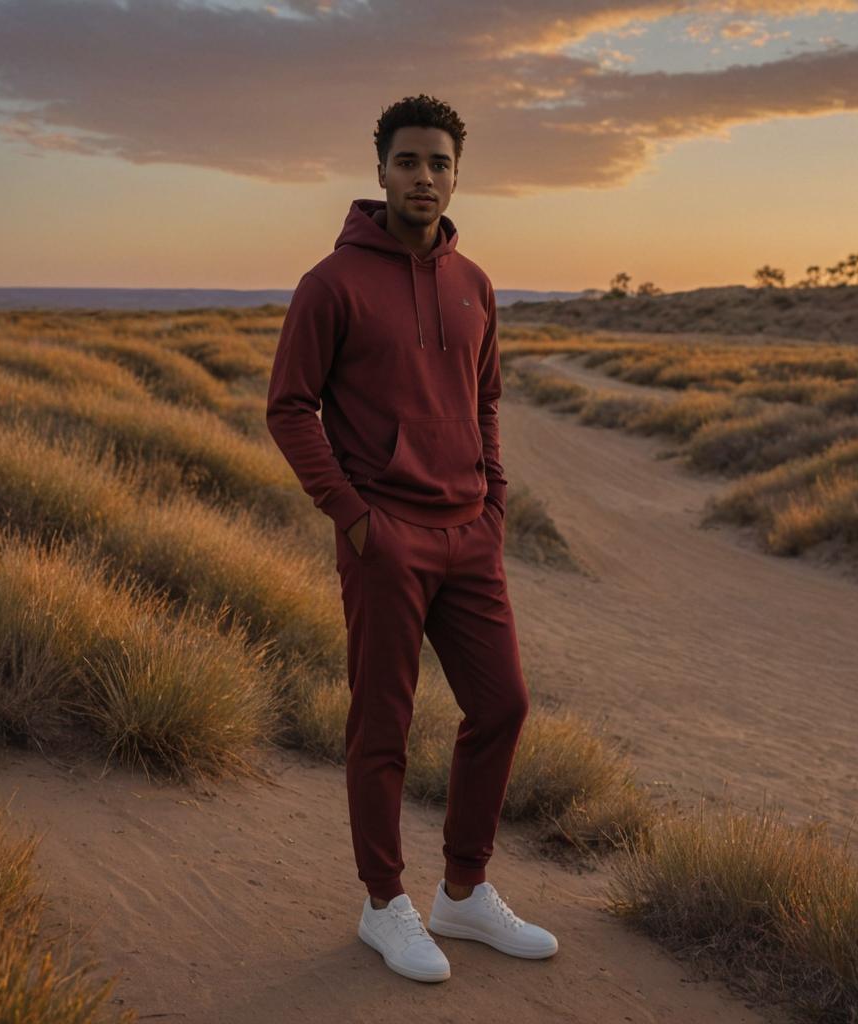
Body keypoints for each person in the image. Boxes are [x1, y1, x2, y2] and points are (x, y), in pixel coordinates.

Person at [266, 93, 558, 983]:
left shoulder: (475, 285)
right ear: (381, 170)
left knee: (502, 704)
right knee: (382, 724)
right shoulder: (332, 283)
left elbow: (487, 401)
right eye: (407, 162)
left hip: (469, 534)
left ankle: (463, 893)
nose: (423, 178)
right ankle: (383, 903)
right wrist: (355, 520)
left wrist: (494, 502)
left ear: (456, 174)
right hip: (385, 538)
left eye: (438, 164)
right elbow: (289, 407)